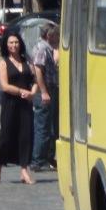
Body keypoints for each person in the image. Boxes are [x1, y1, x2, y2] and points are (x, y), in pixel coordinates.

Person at [0, 33, 37, 185]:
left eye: (16, 42)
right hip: (10, 103)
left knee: (26, 135)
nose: (14, 45)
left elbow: (34, 80)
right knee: (6, 135)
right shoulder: (3, 63)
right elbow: (4, 86)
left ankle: (24, 170)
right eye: (11, 42)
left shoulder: (27, 61)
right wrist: (20, 92)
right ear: (6, 45)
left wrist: (33, 92)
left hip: (25, 104)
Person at [31, 24, 59, 171]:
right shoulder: (42, 48)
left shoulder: (47, 48)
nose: (58, 38)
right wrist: (43, 91)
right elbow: (38, 70)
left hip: (51, 89)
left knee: (50, 126)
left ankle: (48, 157)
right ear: (49, 35)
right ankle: (37, 160)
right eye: (55, 35)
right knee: (42, 127)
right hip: (46, 90)